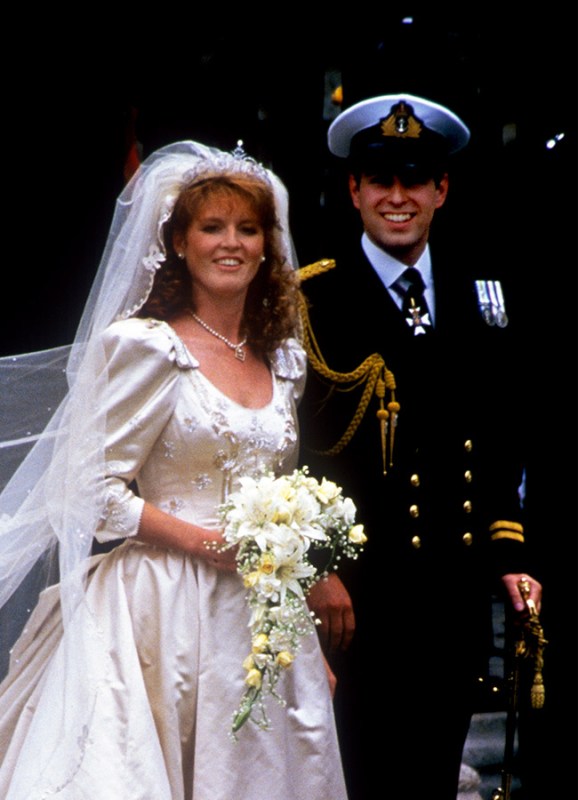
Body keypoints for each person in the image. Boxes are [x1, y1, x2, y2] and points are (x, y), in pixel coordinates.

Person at [0, 141, 348, 799]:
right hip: (159, 610)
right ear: (179, 243)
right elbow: (88, 491)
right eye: (212, 228)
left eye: (248, 230)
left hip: (259, 618)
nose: (232, 244)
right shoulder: (148, 349)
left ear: (268, 246)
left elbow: (276, 492)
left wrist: (299, 610)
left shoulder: (283, 361)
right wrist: (201, 542)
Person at [298, 94, 543, 799]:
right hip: (357, 596)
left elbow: (497, 438)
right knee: (362, 776)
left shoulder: (482, 294)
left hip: (449, 592)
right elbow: (295, 453)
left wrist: (512, 557)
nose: (397, 198)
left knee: (434, 774)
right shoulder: (313, 300)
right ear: (354, 190)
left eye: (415, 181)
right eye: (381, 181)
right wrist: (317, 568)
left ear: (442, 188)